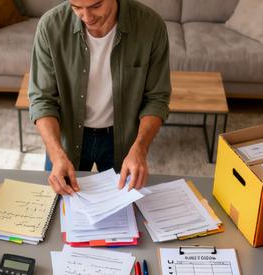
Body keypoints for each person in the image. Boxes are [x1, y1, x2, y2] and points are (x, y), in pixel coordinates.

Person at [27, 0, 171, 195]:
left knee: (124, 212)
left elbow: (156, 99)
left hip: (124, 139)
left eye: (96, 6)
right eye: (76, 7)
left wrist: (140, 148)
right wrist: (56, 154)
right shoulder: (50, 26)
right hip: (67, 138)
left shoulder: (150, 26)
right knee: (58, 208)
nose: (86, 17)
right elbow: (42, 100)